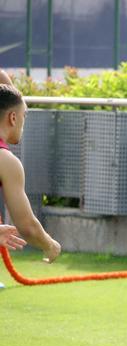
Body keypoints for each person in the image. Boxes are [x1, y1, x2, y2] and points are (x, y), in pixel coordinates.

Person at [0, 69, 61, 263]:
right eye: (24, 115)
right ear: (13, 118)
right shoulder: (6, 162)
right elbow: (27, 226)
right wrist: (50, 245)